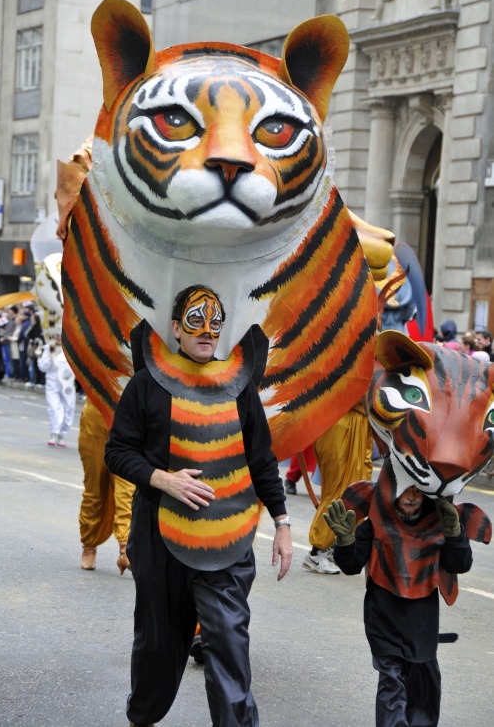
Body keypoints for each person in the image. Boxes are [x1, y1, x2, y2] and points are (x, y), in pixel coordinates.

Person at [105, 284, 292, 727]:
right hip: (159, 538)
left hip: (226, 541)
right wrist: (161, 478)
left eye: (215, 322)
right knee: (158, 644)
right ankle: (142, 717)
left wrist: (282, 523)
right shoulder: (147, 383)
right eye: (195, 320)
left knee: (227, 641)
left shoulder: (239, 385)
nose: (207, 331)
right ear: (175, 328)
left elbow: (261, 458)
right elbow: (117, 451)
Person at [324, 485, 473, 727]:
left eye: (417, 491)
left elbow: (460, 563)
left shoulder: (439, 523)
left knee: (424, 690)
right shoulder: (374, 523)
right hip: (383, 621)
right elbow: (351, 565)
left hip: (421, 625)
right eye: (404, 490)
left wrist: (455, 534)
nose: (411, 497)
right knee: (391, 682)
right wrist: (344, 540)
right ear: (390, 490)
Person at [302, 400, 373, 575]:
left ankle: (338, 546)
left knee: (358, 490)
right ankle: (317, 552)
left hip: (362, 423)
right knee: (337, 491)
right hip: (339, 420)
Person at [78, 397, 135, 572]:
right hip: (95, 420)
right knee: (94, 489)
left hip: (129, 422)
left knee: (128, 490)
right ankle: (89, 545)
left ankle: (125, 549)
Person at [37, 334, 77, 446]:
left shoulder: (71, 348)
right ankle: (54, 434)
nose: (59, 338)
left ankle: (62, 435)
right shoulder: (48, 348)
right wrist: (49, 358)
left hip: (68, 384)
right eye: (57, 336)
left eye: (61, 335)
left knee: (69, 408)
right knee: (54, 408)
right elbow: (42, 367)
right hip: (52, 383)